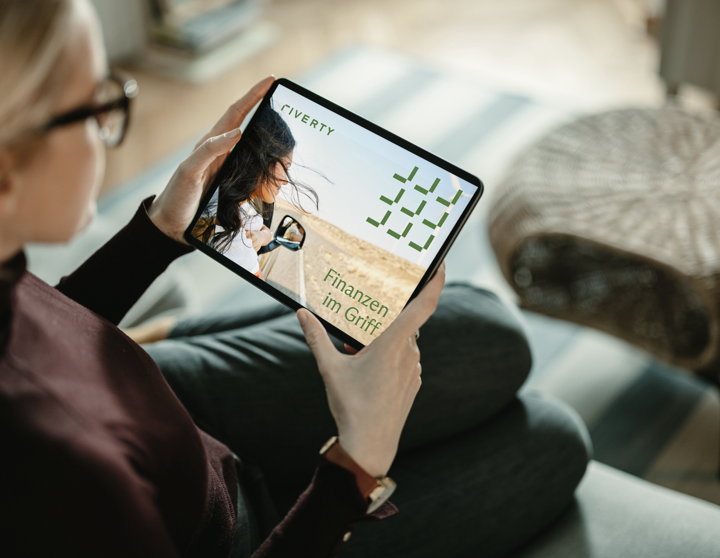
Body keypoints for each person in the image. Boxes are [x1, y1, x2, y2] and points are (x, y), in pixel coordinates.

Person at [0, 1, 591, 557]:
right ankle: (187, 337)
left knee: (488, 325)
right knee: (552, 438)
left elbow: (35, 330)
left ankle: (173, 337)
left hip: (153, 397)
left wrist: (155, 234)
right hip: (236, 526)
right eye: (96, 107)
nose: (110, 123)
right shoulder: (63, 472)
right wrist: (356, 466)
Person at [193, 105, 314, 278]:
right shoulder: (237, 245)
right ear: (260, 158)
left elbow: (265, 228)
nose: (286, 181)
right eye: (285, 167)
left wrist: (261, 236)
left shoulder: (239, 205)